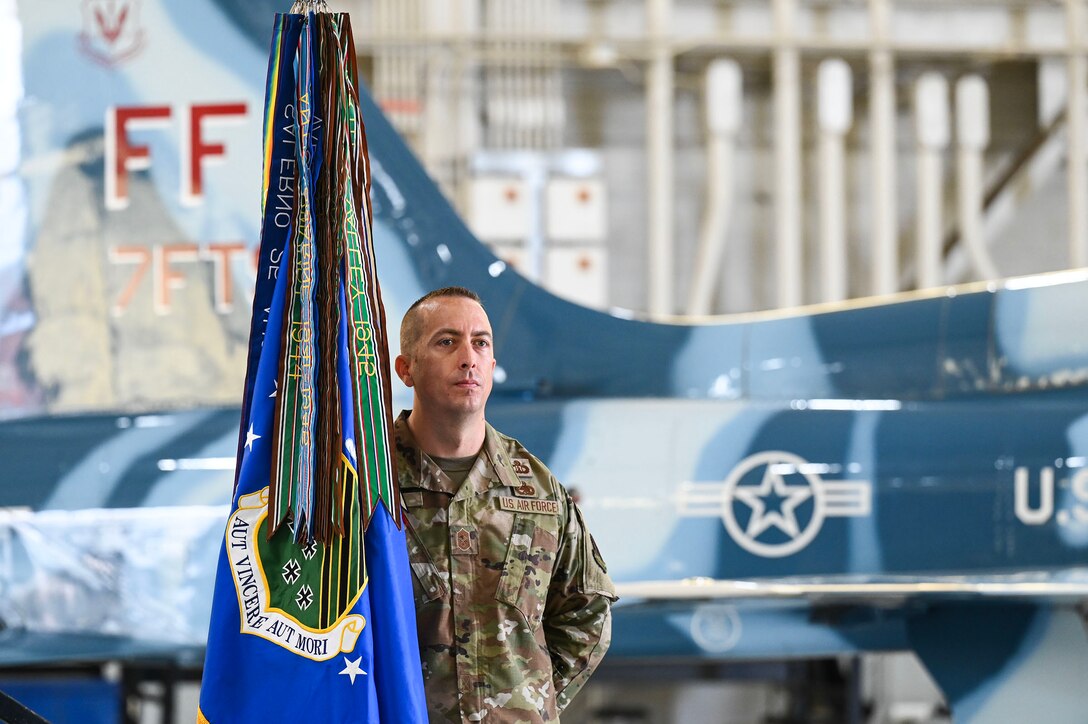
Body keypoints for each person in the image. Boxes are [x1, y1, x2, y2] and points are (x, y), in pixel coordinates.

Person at [393, 286, 617, 723]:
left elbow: (587, 610)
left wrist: (527, 698)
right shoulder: (366, 484)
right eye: (446, 341)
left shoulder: (538, 490)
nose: (468, 357)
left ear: (492, 365)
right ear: (406, 368)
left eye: (481, 343)